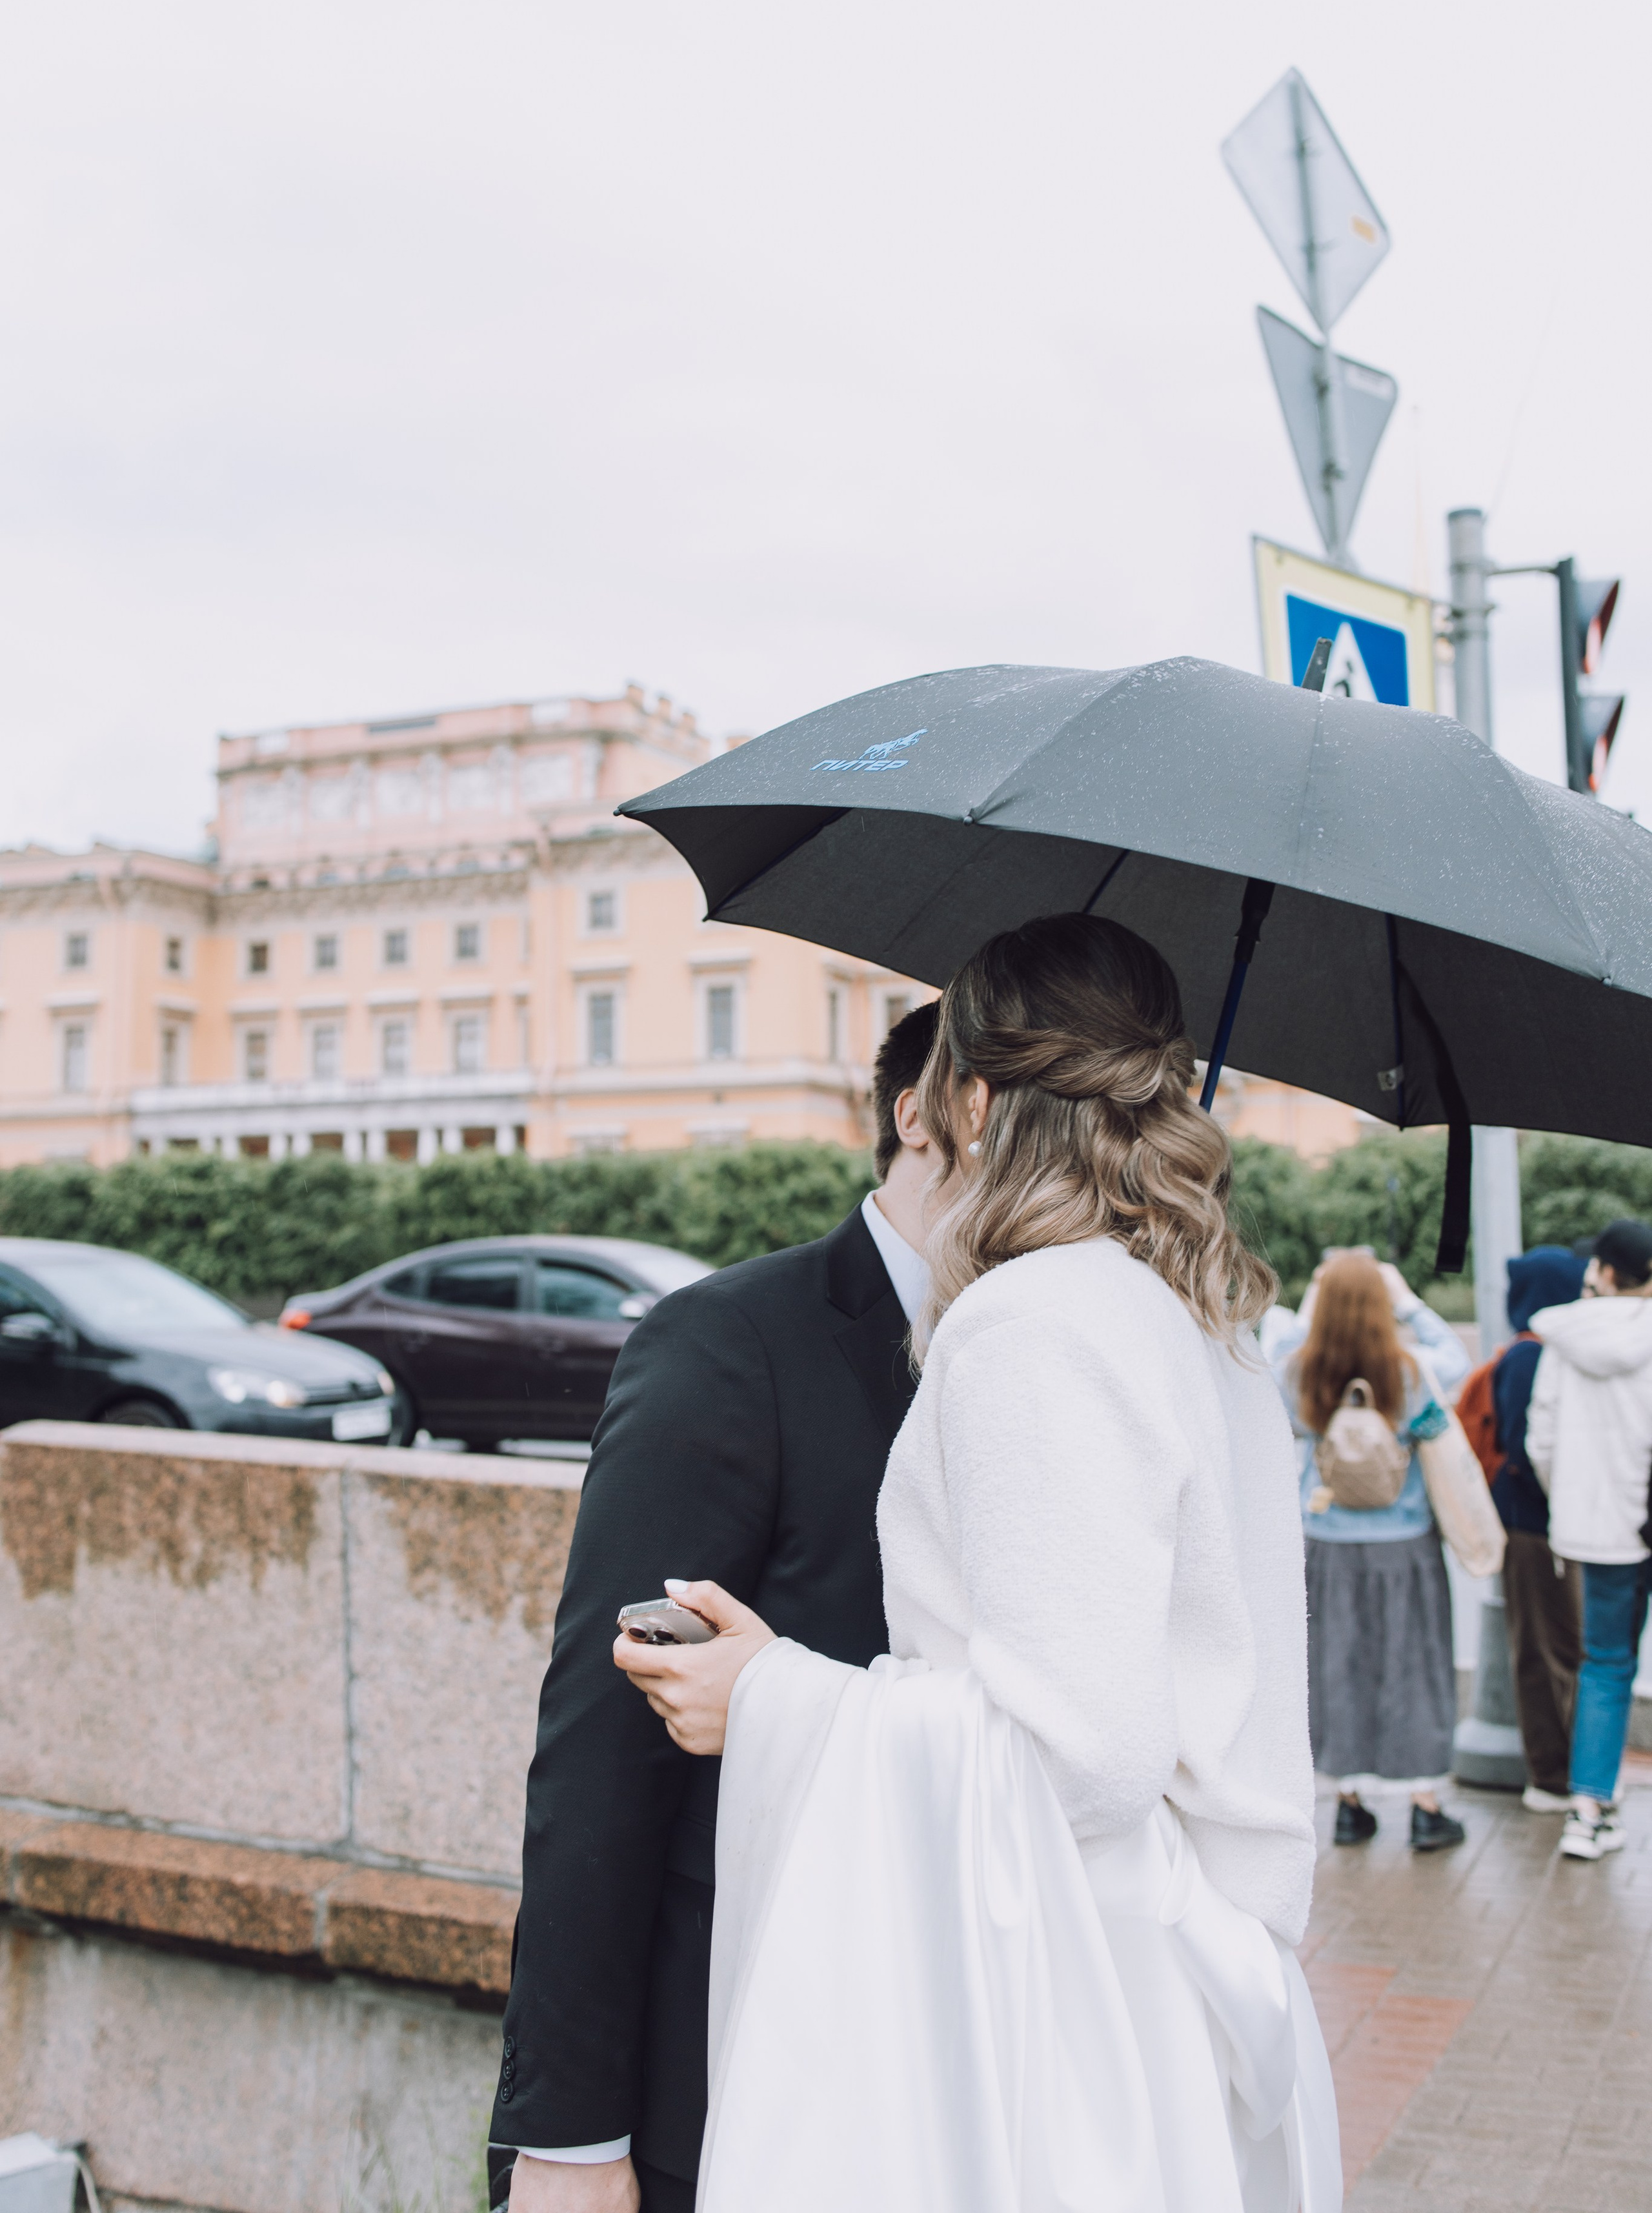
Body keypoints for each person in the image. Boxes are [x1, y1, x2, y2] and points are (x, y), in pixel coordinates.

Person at [614, 915, 1340, 2213]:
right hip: (1178, 1985)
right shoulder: (1209, 1328)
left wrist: (771, 1697)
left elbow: (1077, 1760)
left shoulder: (1037, 1318)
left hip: (1066, 2003)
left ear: (968, 1100)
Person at [494, 999, 940, 2213]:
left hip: (931, 2050)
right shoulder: (732, 1337)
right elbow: (603, 1741)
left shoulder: (1029, 1354)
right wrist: (570, 2135)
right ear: (924, 1113)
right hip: (722, 2053)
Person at [1269, 1249, 1471, 1854]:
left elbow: (1271, 1362)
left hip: (1327, 1541)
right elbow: (1456, 1359)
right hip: (1404, 1544)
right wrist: (1408, 1300)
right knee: (1415, 1665)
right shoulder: (1408, 1372)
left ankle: (1349, 1805)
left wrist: (1313, 1303)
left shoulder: (1301, 1375)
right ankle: (1425, 1806)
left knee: (1337, 1665)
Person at [1527, 1216, 1652, 1864]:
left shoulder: (1563, 1337)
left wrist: (1572, 1505)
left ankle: (1586, 1811)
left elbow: (1541, 1439)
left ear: (1602, 1270)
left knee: (1603, 1663)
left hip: (1599, 1533)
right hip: (1643, 1517)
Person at [1489, 1248, 1587, 1812]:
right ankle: (1550, 1778)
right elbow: (1524, 1451)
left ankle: (1565, 1771)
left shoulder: (1540, 1352)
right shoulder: (1530, 1357)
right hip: (1534, 1526)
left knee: (1558, 1645)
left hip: (1544, 1521)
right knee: (1542, 1649)